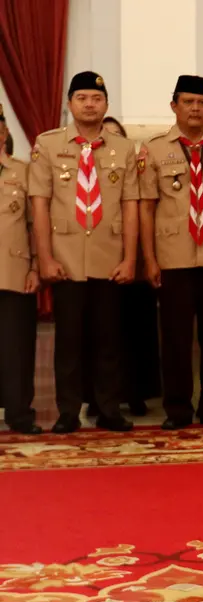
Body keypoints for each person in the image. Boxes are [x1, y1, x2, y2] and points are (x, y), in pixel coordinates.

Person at [30, 71, 139, 433]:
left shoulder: (124, 149)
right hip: (66, 258)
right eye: (81, 98)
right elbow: (40, 204)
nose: (89, 104)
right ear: (69, 104)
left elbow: (131, 205)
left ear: (106, 104)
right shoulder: (47, 145)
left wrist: (130, 258)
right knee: (69, 342)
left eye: (96, 98)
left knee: (109, 340)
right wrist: (45, 257)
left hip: (110, 258)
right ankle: (67, 411)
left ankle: (108, 409)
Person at [138, 75, 203, 429]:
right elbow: (147, 208)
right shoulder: (153, 149)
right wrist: (150, 260)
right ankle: (178, 410)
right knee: (176, 340)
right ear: (174, 106)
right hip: (173, 257)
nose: (195, 109)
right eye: (188, 102)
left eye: (202, 103)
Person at [99, 115, 161, 416]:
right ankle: (101, 396)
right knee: (105, 334)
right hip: (101, 258)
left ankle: (138, 394)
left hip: (135, 263)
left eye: (116, 135)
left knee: (140, 333)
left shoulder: (138, 167)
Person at [0, 103, 42, 434]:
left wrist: (37, 266)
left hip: (14, 271)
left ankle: (19, 412)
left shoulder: (23, 172)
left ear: (4, 132)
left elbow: (36, 225)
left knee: (17, 347)